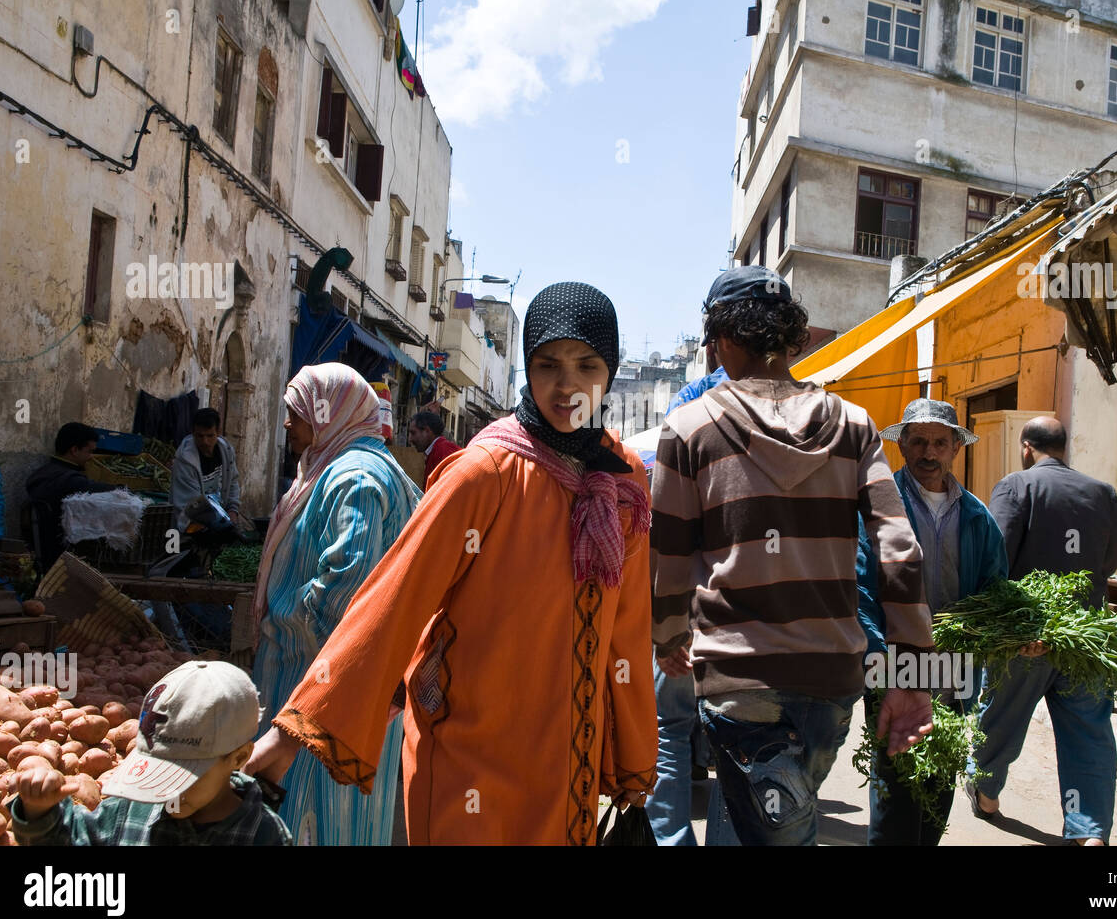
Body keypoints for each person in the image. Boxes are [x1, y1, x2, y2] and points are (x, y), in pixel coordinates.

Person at [247, 282, 657, 846]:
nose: (567, 385)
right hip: (470, 759)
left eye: (587, 364)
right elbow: (395, 598)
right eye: (547, 364)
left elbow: (628, 630)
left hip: (568, 769)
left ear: (610, 371)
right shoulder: (485, 472)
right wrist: (289, 736)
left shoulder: (623, 482)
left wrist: (633, 760)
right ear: (525, 370)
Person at [652, 266, 935, 846]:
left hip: (738, 682)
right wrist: (913, 676)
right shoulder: (855, 428)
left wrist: (667, 635)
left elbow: (670, 557)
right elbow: (901, 551)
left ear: (723, 339)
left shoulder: (687, 429)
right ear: (795, 339)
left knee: (765, 831)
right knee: (776, 830)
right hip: (831, 680)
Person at [248, 363, 423, 846]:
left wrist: (291, 620)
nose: (287, 423)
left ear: (330, 413)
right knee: (345, 818)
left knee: (308, 814)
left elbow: (348, 585)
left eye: (296, 412)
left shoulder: (355, 477)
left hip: (320, 687)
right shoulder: (358, 467)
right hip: (348, 690)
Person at [856, 398, 1008, 845]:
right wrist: (880, 662)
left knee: (938, 786)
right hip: (895, 665)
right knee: (896, 791)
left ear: (955, 449)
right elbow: (862, 590)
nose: (928, 452)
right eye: (918, 441)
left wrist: (1011, 633)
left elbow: (995, 590)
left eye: (939, 443)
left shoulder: (977, 517)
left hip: (954, 667)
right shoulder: (879, 507)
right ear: (901, 445)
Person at [968, 416, 1117, 845]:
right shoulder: (1103, 493)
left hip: (1027, 635)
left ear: (1026, 447)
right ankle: (1088, 831)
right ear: (1063, 447)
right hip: (1087, 635)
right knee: (1088, 733)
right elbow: (1109, 561)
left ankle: (986, 793)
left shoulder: (1017, 486)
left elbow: (996, 556)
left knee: (1000, 719)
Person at [9, 661, 291, 845]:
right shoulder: (131, 809)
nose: (168, 791)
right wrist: (39, 811)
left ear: (239, 758)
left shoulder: (264, 835)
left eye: (183, 776)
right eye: (159, 770)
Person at [647, 342, 729, 847]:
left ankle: (673, 841)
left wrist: (665, 626)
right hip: (749, 620)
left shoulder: (687, 409)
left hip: (685, 609)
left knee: (670, 734)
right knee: (738, 743)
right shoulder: (790, 410)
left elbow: (666, 530)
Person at [24, 422, 118, 569]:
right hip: (60, 554)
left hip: (43, 550)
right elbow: (93, 488)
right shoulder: (69, 481)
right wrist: (123, 489)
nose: (91, 457)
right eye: (89, 451)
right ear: (74, 450)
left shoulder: (43, 473)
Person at [170, 407, 245, 530]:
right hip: (191, 526)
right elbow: (191, 504)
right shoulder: (185, 460)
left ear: (218, 432)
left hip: (218, 521)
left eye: (210, 436)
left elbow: (232, 482)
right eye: (200, 436)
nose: (205, 441)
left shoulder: (226, 452)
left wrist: (232, 510)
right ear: (193, 433)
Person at [407, 410, 461, 484]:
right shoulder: (436, 451)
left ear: (427, 431)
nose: (410, 439)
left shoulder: (443, 451)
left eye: (413, 433)